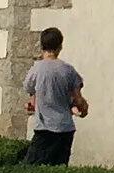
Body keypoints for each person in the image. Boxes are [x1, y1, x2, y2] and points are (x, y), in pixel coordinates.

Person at [21, 27, 87, 165]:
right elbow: (77, 99)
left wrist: (33, 104)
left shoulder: (36, 70)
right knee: (59, 167)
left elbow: (30, 89)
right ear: (60, 47)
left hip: (44, 128)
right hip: (65, 128)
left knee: (32, 168)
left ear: (41, 46)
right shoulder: (68, 70)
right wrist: (82, 109)